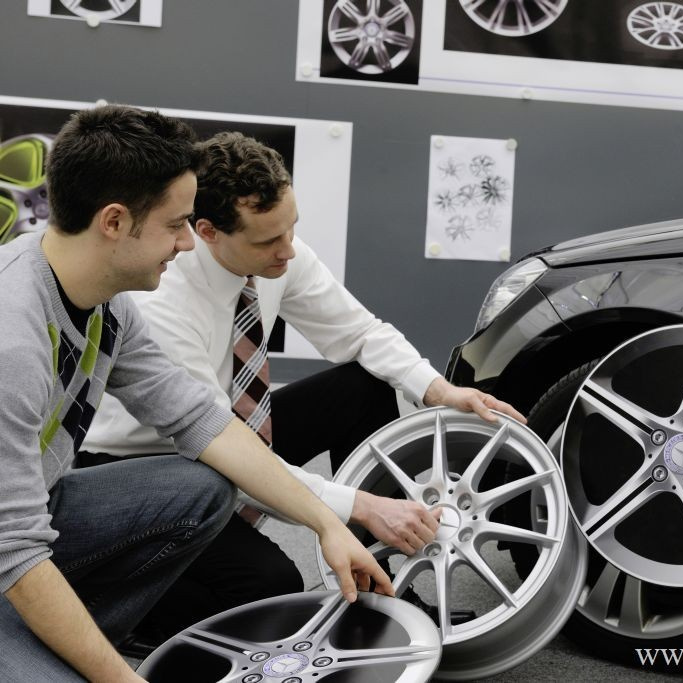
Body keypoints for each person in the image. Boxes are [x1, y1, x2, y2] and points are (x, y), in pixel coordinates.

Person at [82, 130, 526, 648]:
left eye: (291, 228)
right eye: (267, 241)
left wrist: (438, 389)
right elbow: (220, 446)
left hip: (226, 433)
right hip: (148, 467)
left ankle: (384, 589)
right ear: (207, 231)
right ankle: (118, 598)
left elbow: (360, 334)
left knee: (361, 386)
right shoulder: (163, 304)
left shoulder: (278, 252)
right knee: (273, 589)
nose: (288, 250)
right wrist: (358, 505)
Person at [0, 105, 393, 682]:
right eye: (176, 224)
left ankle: (64, 633)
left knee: (203, 486)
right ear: (114, 222)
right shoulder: (12, 339)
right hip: (12, 549)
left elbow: (200, 420)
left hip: (36, 515)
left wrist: (326, 522)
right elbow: (14, 550)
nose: (188, 242)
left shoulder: (108, 303)